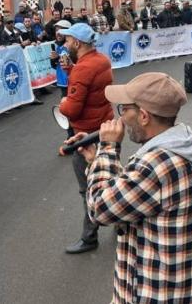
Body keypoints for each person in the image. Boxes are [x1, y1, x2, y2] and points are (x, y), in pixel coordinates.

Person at [70, 72, 192, 304]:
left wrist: (107, 148)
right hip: (182, 290)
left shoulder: (156, 165)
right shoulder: (181, 147)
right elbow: (131, 199)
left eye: (124, 110)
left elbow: (99, 209)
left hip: (156, 294)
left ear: (144, 116)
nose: (120, 119)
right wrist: (96, 160)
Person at [57, 23, 113, 254]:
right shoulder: (100, 60)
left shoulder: (83, 68)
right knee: (110, 179)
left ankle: (89, 238)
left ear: (77, 43)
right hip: (105, 129)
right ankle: (123, 222)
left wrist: (62, 105)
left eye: (68, 40)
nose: (65, 44)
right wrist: (72, 71)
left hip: (85, 137)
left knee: (88, 189)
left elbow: (73, 109)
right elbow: (90, 88)